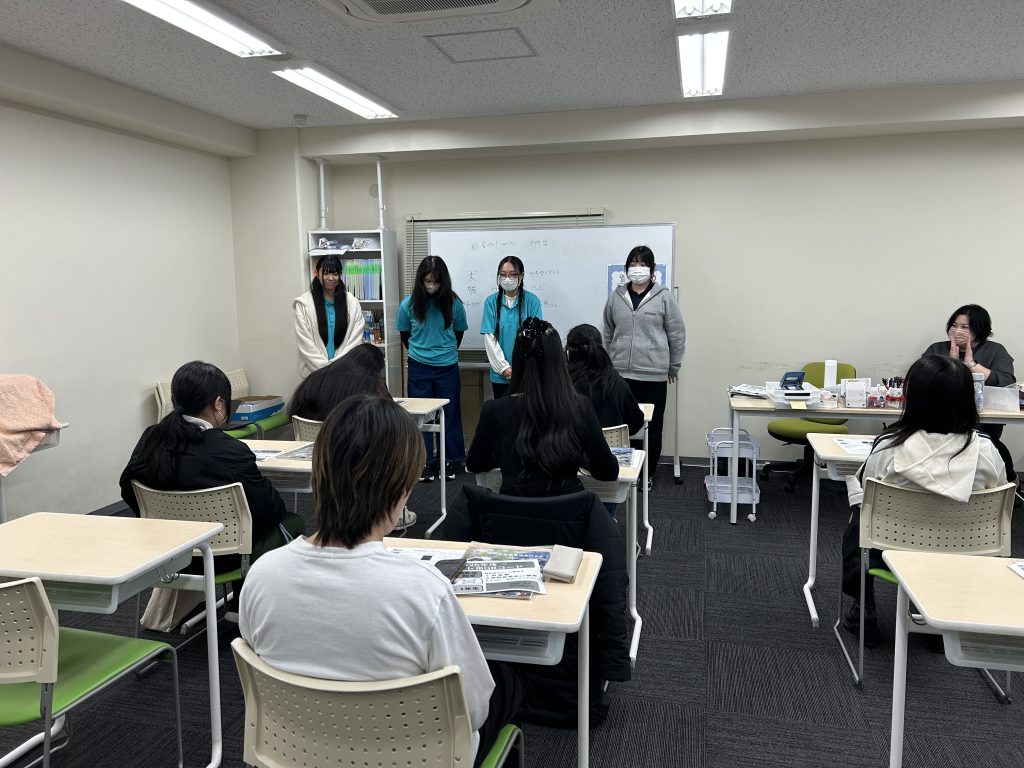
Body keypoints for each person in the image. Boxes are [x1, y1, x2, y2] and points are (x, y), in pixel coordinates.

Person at [238, 395, 522, 767]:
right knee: (510, 685)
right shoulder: (425, 592)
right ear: (401, 488)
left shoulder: (261, 576)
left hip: (297, 753)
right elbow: (474, 708)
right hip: (416, 758)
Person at [840, 354, 1007, 647]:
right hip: (967, 555)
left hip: (892, 554)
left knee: (860, 518)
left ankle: (862, 608)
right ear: (968, 398)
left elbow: (866, 496)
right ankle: (940, 615)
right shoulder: (988, 452)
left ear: (912, 398)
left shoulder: (889, 449)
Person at [120, 361, 305, 573]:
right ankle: (248, 599)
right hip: (226, 558)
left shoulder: (151, 439)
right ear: (218, 403)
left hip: (169, 554)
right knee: (293, 522)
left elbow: (128, 488)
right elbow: (270, 511)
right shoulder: (229, 449)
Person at [467, 317, 618, 496]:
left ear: (516, 358)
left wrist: (505, 455)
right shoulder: (579, 407)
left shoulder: (494, 410)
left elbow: (475, 463)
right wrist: (577, 455)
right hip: (565, 518)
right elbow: (608, 472)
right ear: (559, 359)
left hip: (511, 519)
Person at [602, 245, 685, 491]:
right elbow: (608, 331)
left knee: (652, 427)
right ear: (627, 268)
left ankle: (647, 474)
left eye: (642, 264)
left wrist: (674, 366)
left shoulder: (664, 297)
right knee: (621, 425)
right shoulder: (616, 296)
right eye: (633, 264)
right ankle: (625, 470)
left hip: (653, 375)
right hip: (620, 375)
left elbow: (677, 334)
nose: (637, 269)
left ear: (652, 270)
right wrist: (609, 363)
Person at [922, 303, 1017, 488]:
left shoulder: (995, 350)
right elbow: (922, 379)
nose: (957, 331)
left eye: (965, 327)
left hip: (983, 418)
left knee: (987, 440)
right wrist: (950, 362)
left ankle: (1010, 481)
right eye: (954, 325)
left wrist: (971, 364)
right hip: (938, 415)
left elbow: (1007, 381)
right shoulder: (937, 349)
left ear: (980, 330)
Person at [396, 256, 468, 482]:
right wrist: (423, 353)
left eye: (435, 281)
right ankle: (425, 462)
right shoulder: (407, 305)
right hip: (419, 366)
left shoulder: (454, 303)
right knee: (421, 417)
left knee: (450, 414)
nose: (431, 285)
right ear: (420, 280)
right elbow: (405, 334)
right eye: (427, 281)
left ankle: (449, 461)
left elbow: (459, 334)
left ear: (443, 282)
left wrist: (442, 353)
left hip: (447, 367)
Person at [480, 256, 543, 399]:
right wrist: (504, 368)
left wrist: (522, 368)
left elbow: (535, 337)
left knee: (526, 417)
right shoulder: (491, 302)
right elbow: (490, 338)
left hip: (527, 374)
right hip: (500, 375)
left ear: (521, 276)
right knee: (503, 417)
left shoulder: (532, 301)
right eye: (503, 274)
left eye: (512, 274)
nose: (507, 279)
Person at [293, 254, 365, 379]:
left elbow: (355, 341)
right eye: (325, 273)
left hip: (345, 374)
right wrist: (326, 370)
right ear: (317, 273)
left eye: (335, 274)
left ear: (340, 275)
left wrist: (338, 368)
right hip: (314, 375)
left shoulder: (352, 303)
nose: (330, 278)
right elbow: (305, 344)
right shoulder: (304, 305)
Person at [288, 344, 389, 422]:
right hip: (348, 443)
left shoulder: (316, 377)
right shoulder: (369, 385)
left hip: (309, 441)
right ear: (376, 368)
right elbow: (387, 414)